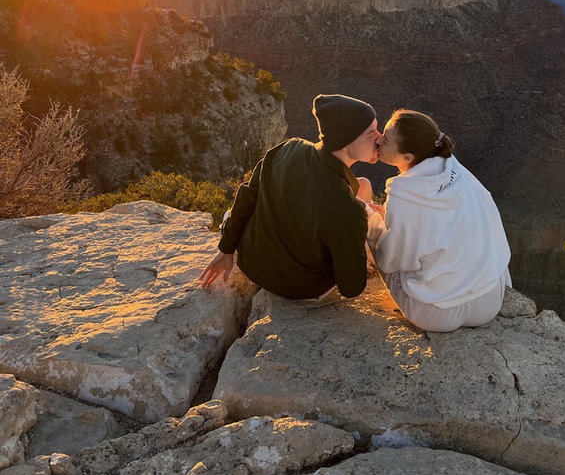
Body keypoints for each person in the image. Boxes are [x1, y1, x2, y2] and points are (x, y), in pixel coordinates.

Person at [199, 93, 380, 299]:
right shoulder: (348, 209)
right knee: (363, 198)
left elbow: (248, 194)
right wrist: (361, 230)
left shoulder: (287, 148)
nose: (380, 138)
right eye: (371, 132)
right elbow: (351, 288)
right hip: (300, 288)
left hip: (251, 263)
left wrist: (226, 249)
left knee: (362, 184)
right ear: (345, 141)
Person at [367, 109, 511, 332]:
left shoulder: (403, 194)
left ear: (407, 158)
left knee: (371, 226)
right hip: (489, 301)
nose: (378, 140)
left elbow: (391, 261)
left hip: (437, 313)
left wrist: (374, 222)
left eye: (385, 140)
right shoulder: (456, 169)